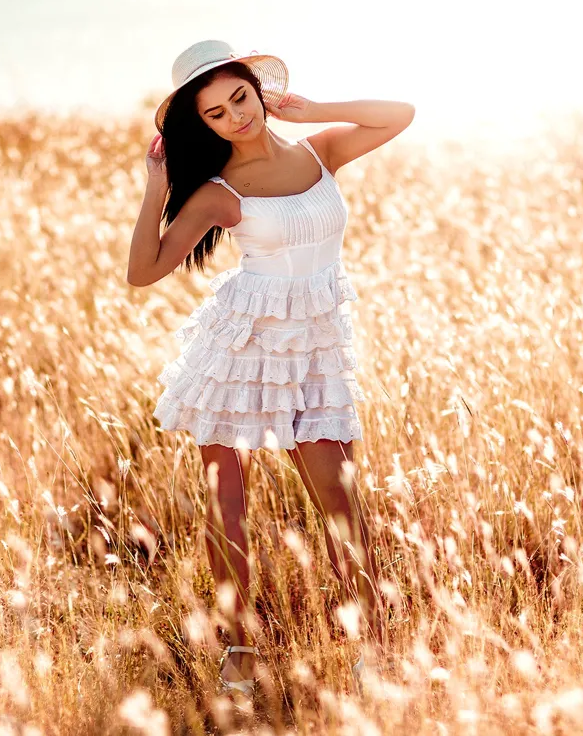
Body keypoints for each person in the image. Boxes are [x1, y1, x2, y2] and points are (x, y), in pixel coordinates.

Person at [127, 39, 414, 696]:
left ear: (258, 91)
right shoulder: (220, 192)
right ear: (202, 126)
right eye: (216, 114)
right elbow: (142, 272)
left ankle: (370, 650)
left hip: (313, 350)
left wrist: (313, 108)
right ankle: (239, 654)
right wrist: (157, 189)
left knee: (341, 505)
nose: (236, 117)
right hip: (240, 352)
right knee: (227, 506)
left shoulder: (321, 151)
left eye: (239, 98)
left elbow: (399, 112)